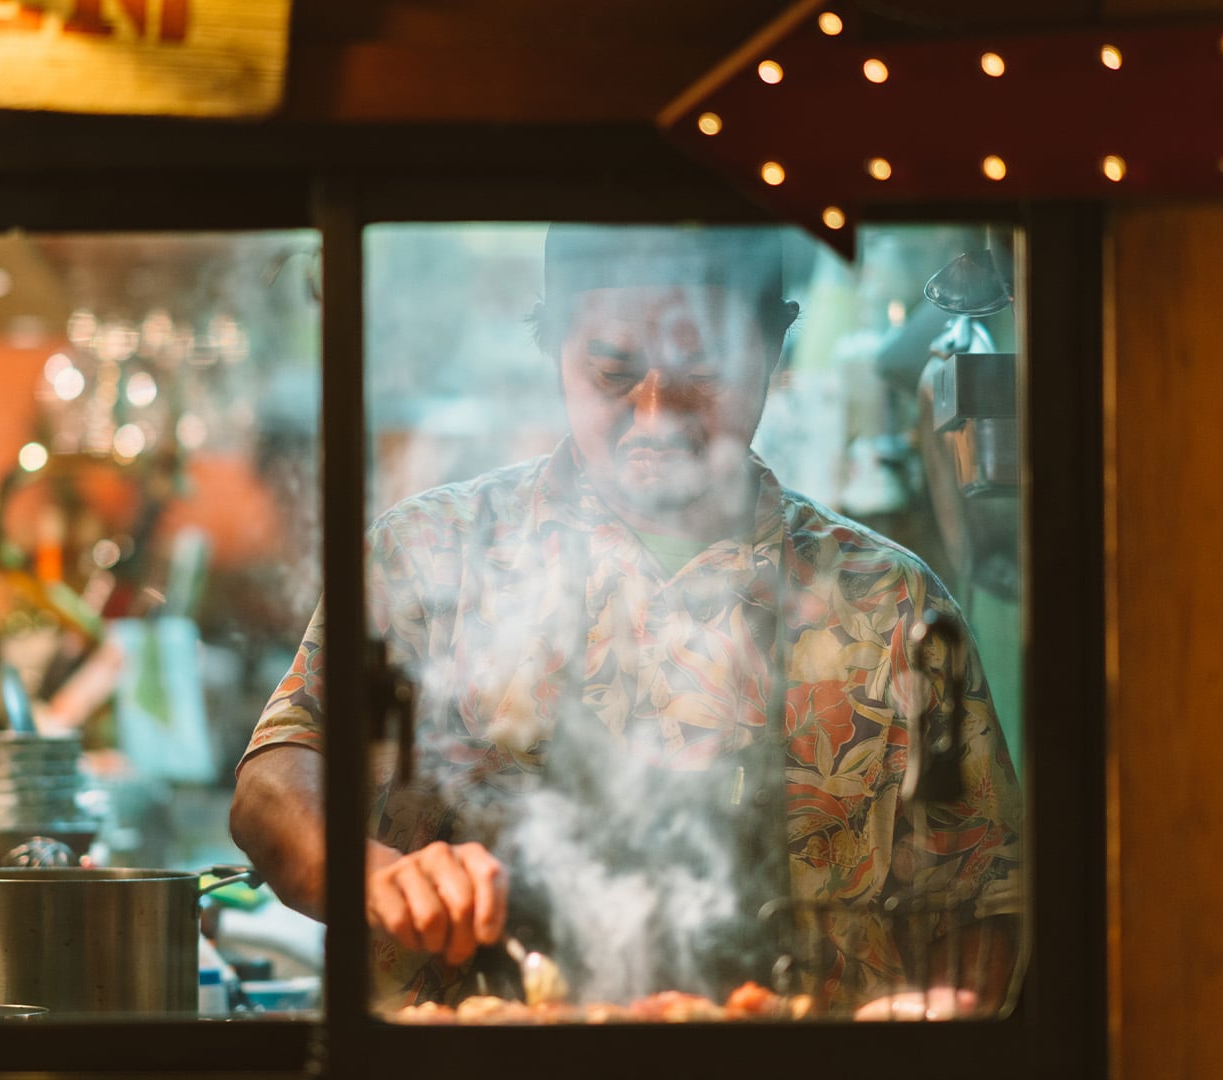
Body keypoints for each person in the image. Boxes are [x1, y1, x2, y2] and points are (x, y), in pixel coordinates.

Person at [229, 225, 1023, 1015]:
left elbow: (980, 899)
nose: (654, 414)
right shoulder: (429, 557)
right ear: (553, 351)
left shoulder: (887, 605)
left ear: (773, 351)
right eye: (611, 373)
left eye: (701, 373)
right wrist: (376, 875)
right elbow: (272, 785)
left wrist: (943, 1014)